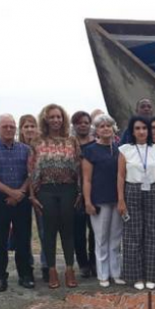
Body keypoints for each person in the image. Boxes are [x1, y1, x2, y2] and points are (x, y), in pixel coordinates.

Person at [28, 104, 81, 289]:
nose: (56, 120)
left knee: (68, 231)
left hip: (68, 189)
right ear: (45, 119)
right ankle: (51, 270)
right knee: (49, 232)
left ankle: (69, 270)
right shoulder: (37, 142)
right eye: (52, 117)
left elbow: (79, 168)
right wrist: (33, 195)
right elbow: (32, 169)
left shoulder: (72, 141)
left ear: (63, 119)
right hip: (46, 190)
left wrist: (80, 192)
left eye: (58, 117)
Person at [0, 114, 34, 292]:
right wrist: (10, 192)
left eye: (12, 126)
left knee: (23, 239)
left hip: (22, 200)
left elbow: (31, 174)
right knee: (0, 241)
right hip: (0, 201)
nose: (9, 129)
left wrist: (20, 192)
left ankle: (25, 275)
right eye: (5, 126)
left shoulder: (25, 150)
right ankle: (0, 277)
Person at [117, 116, 155, 290]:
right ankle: (136, 275)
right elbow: (121, 176)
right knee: (133, 234)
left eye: (144, 128)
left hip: (153, 191)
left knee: (154, 233)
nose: (141, 131)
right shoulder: (125, 150)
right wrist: (121, 200)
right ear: (132, 131)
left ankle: (153, 275)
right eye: (137, 128)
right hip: (132, 190)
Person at [82, 114, 125, 288]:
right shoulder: (90, 151)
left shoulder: (120, 149)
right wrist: (87, 201)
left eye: (108, 125)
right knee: (101, 239)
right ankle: (103, 274)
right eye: (102, 126)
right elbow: (86, 179)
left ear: (113, 128)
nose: (106, 128)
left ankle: (116, 273)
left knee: (115, 239)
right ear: (96, 130)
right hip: (99, 200)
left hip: (117, 199)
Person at [18, 114, 47, 280]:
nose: (29, 129)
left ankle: (45, 264)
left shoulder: (42, 147)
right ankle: (27, 264)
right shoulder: (16, 147)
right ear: (21, 129)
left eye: (32, 126)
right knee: (23, 232)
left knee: (44, 231)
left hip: (40, 193)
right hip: (21, 194)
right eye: (26, 126)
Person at [72, 111, 96, 278]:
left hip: (94, 192)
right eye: (79, 122)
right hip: (74, 192)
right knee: (78, 231)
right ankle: (83, 264)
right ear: (74, 125)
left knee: (95, 230)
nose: (83, 125)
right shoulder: (70, 145)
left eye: (86, 122)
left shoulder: (96, 144)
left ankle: (94, 262)